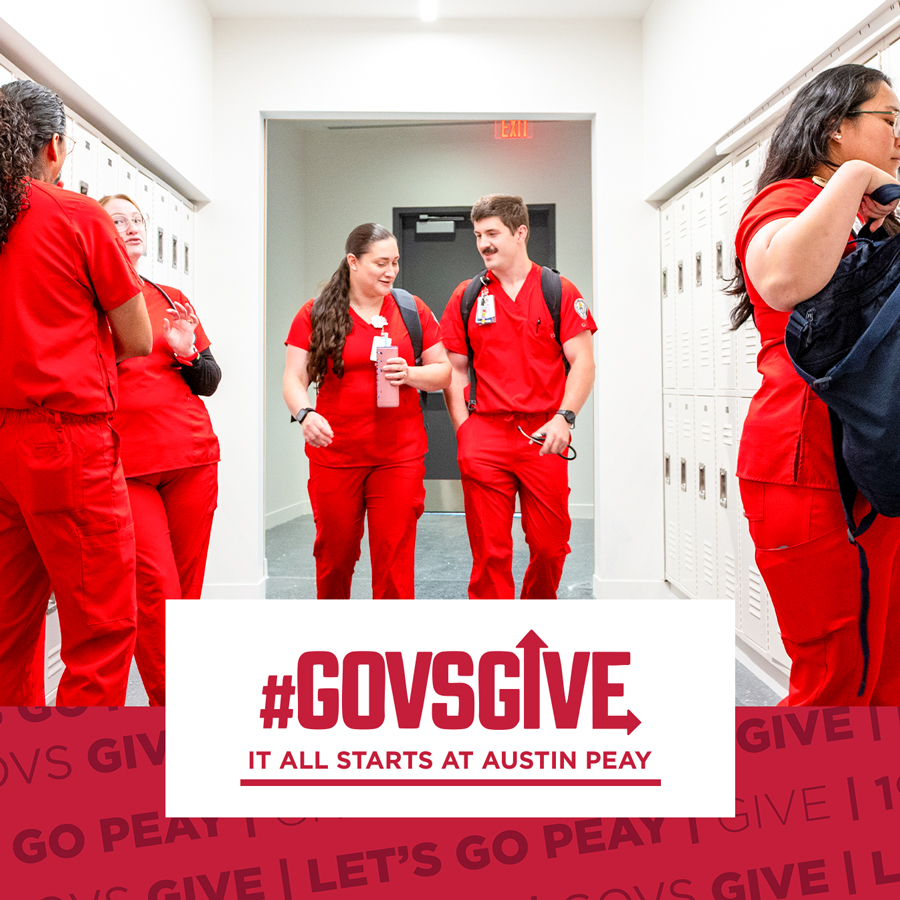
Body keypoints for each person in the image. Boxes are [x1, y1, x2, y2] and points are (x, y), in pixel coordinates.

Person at [731, 63, 900, 706]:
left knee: (883, 671)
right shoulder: (785, 202)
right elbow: (779, 280)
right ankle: (801, 805)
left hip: (873, 456)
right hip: (810, 464)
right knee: (836, 678)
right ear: (835, 131)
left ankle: (870, 804)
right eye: (888, 119)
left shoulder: (869, 220)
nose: (897, 136)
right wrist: (860, 179)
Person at [0, 80, 152, 706]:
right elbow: (139, 336)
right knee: (102, 628)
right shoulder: (76, 215)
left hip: (5, 444)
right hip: (66, 444)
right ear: (56, 147)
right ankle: (71, 803)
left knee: (9, 629)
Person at [440, 195, 597, 599]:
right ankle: (496, 639)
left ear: (520, 232)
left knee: (549, 545)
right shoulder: (467, 295)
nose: (483, 244)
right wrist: (466, 432)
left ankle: (533, 617)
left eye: (492, 233)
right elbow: (455, 370)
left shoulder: (556, 289)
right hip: (486, 434)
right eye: (478, 235)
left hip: (542, 435)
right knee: (490, 551)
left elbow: (583, 362)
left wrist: (565, 417)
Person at [283, 223, 450, 598]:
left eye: (395, 262)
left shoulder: (411, 309)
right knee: (335, 557)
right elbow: (293, 379)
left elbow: (443, 374)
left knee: (394, 560)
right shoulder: (316, 313)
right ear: (353, 262)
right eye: (380, 263)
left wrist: (410, 373)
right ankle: (334, 645)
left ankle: (387, 647)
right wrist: (305, 414)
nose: (390, 271)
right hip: (335, 457)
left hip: (399, 456)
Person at [98, 194, 221, 707]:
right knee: (157, 592)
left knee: (186, 595)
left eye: (136, 220)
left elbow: (210, 380)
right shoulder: (88, 299)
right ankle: (170, 705)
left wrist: (187, 349)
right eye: (117, 220)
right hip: (128, 468)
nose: (130, 228)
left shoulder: (171, 297)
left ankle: (179, 699)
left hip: (193, 457)